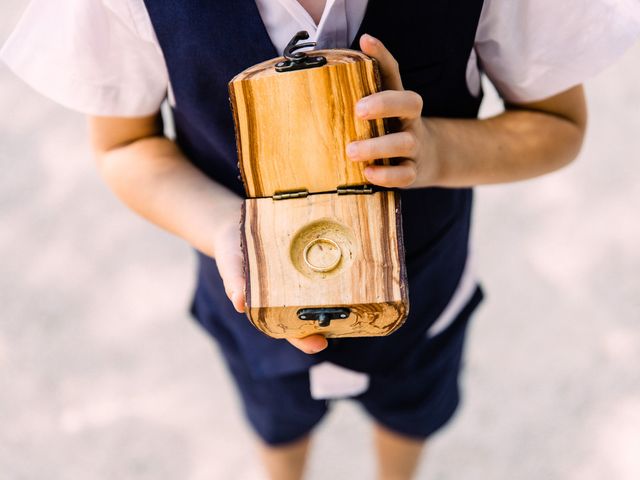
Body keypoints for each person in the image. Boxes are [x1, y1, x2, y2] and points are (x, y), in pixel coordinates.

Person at [2, 0, 638, 478]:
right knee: (275, 426)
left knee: (411, 415)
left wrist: (439, 149)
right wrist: (227, 227)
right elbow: (126, 145)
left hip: (425, 287)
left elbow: (557, 123)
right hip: (252, 309)